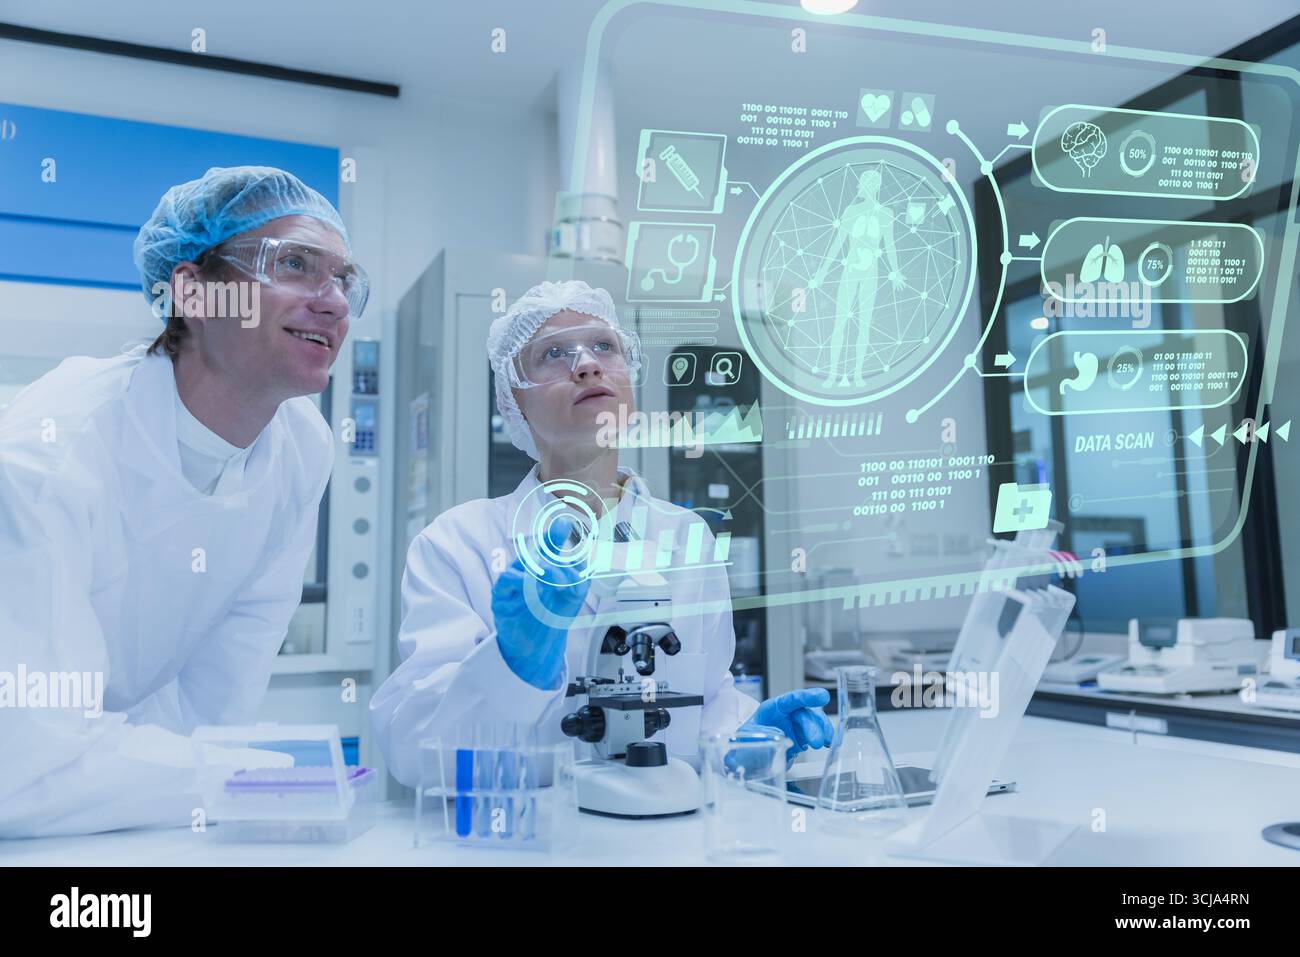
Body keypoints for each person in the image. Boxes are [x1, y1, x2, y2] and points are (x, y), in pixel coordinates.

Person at [0, 166, 368, 837]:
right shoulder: (50, 458)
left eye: (343, 278)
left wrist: (225, 781)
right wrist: (254, 774)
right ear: (194, 293)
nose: (335, 301)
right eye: (294, 263)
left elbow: (215, 699)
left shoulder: (302, 449)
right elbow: (23, 767)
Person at [371, 280, 832, 788]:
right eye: (552, 354)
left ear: (629, 377)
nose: (587, 365)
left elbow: (707, 699)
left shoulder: (687, 537)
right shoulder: (458, 545)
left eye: (604, 346)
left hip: (667, 836)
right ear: (515, 402)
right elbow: (413, 750)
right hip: (530, 839)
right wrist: (510, 667)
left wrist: (745, 740)